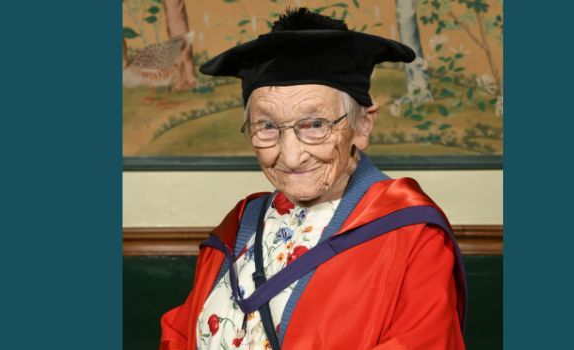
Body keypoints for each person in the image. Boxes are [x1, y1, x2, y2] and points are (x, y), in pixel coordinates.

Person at [158, 8, 467, 350]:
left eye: (316, 125)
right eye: (268, 127)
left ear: (363, 124)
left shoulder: (410, 234)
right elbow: (181, 334)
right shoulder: (240, 226)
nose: (291, 156)